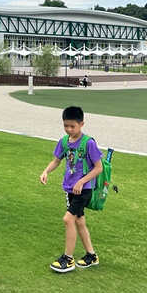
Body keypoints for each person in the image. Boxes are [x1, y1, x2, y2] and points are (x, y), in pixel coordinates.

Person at [39, 105, 104, 273]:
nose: (68, 129)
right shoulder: (64, 142)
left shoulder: (88, 143)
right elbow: (56, 160)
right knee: (79, 221)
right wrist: (46, 171)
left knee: (68, 219)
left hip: (84, 189)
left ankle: (68, 259)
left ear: (81, 124)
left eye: (72, 126)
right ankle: (91, 255)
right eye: (65, 125)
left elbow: (99, 168)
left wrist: (82, 182)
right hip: (70, 189)